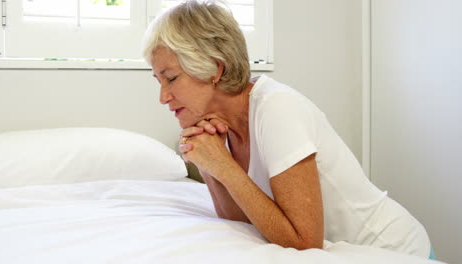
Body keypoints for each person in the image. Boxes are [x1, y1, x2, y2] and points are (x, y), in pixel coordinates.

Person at [142, 0, 432, 258]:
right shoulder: (218, 123)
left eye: (171, 78)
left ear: (215, 68)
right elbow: (238, 220)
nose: (163, 97)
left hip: (392, 249)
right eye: (159, 81)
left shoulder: (277, 109)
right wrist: (209, 162)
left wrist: (224, 167)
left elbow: (306, 244)